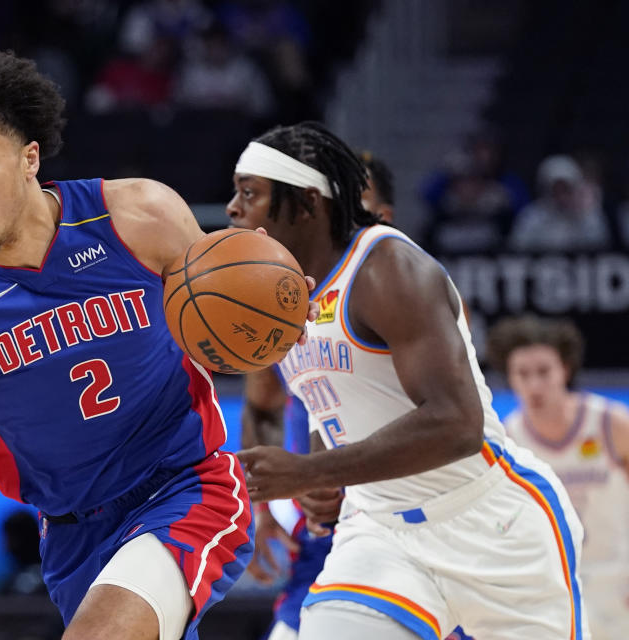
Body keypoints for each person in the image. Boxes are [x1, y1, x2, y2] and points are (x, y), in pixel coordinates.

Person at [0, 50, 257, 640]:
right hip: (70, 532)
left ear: (29, 158)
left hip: (185, 485)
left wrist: (256, 292)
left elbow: (231, 326)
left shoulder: (140, 215)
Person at [228, 121, 589, 640]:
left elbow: (457, 423)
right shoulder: (272, 295)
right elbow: (333, 399)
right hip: (380, 530)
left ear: (307, 203)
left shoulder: (387, 268)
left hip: (490, 523)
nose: (234, 208)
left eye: (249, 193)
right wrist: (323, 474)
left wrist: (311, 470)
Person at [245, 150, 396, 640]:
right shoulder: (283, 304)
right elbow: (262, 404)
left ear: (384, 217)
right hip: (321, 537)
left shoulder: (413, 296)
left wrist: (321, 468)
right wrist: (263, 510)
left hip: (403, 522)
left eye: (354, 201)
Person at [488, 315, 629, 639]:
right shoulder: (509, 441)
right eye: (522, 374)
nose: (534, 385)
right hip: (553, 590)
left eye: (543, 372)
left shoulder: (611, 425)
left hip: (617, 584)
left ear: (565, 369)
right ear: (510, 378)